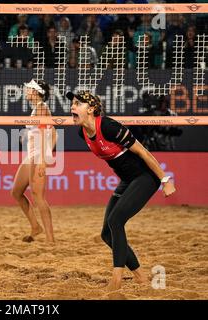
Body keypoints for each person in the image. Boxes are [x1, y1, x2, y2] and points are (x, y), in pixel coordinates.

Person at [67, 90, 176, 290]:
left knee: (116, 220)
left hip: (145, 177)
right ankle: (141, 278)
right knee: (106, 234)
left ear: (91, 109)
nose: (72, 107)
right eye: (72, 103)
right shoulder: (82, 132)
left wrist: (165, 180)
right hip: (127, 180)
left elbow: (143, 152)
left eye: (77, 103)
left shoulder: (108, 126)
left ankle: (116, 280)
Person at [11, 79, 57, 243]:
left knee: (38, 197)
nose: (26, 90)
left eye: (29, 88)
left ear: (36, 92)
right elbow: (54, 134)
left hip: (38, 156)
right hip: (31, 155)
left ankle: (50, 239)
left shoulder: (42, 109)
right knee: (16, 192)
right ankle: (36, 227)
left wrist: (44, 160)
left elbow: (49, 135)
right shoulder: (38, 109)